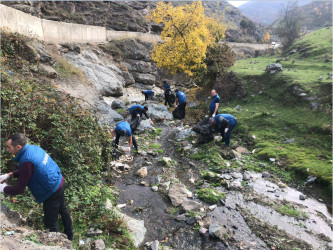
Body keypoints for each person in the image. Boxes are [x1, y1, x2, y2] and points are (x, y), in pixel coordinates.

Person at [0, 133, 73, 240]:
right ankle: (70, 237)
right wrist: (9, 175)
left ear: (18, 147)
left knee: (50, 222)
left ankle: (59, 244)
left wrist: (3, 188)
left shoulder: (26, 160)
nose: (7, 149)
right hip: (59, 181)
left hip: (51, 190)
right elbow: (30, 169)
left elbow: (19, 189)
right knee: (62, 209)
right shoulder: (33, 148)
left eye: (9, 147)